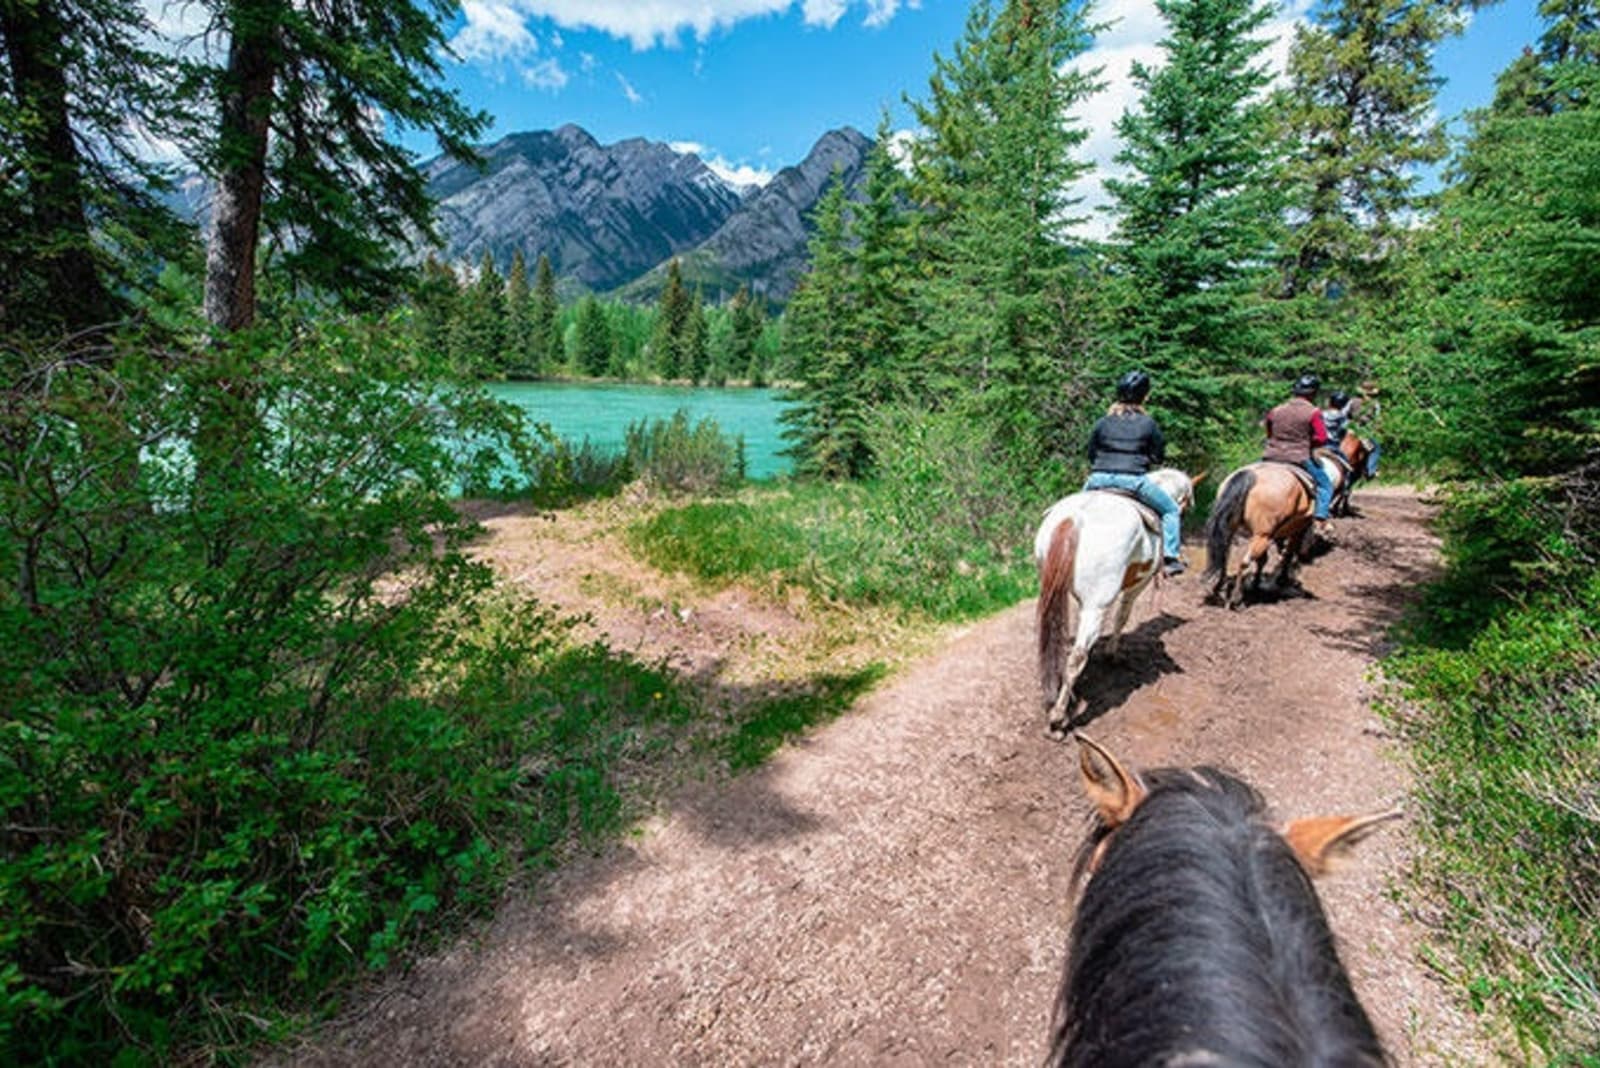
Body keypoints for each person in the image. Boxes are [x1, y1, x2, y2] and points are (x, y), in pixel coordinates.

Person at [1083, 370, 1186, 576]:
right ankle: (1170, 558)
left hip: (1097, 479)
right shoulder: (1148, 424)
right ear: (1144, 396)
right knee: (1171, 511)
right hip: (1132, 481)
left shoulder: (1103, 422)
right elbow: (1158, 456)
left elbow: (1091, 453)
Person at [1263, 373, 1334, 533]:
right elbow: (1322, 438)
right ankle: (1320, 518)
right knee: (1325, 485)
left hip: (1271, 455)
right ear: (1313, 393)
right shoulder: (1313, 412)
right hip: (1299, 457)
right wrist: (1308, 442)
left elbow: (1269, 431)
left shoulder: (1276, 410)